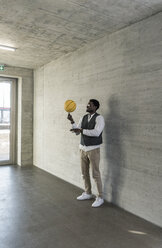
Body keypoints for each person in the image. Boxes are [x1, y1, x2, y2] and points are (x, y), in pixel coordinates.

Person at [67, 99, 105, 207]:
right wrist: (72, 121)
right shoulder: (83, 117)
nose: (87, 106)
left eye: (90, 105)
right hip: (82, 148)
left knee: (95, 174)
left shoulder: (99, 118)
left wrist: (81, 130)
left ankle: (100, 197)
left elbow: (97, 132)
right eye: (88, 104)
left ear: (95, 107)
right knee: (84, 173)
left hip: (93, 149)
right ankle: (88, 193)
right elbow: (77, 131)